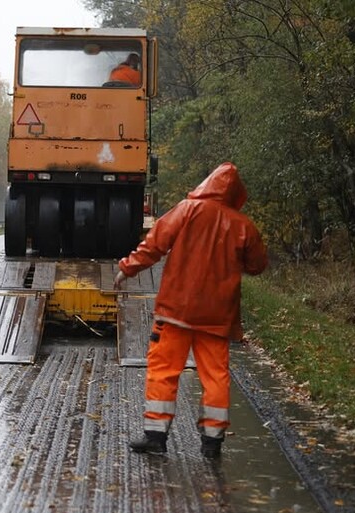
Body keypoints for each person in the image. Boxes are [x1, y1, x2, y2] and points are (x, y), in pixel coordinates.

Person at [113, 162, 268, 459]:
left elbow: (154, 245)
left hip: (175, 311)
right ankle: (212, 443)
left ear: (207, 183)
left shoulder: (186, 210)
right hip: (217, 316)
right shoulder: (243, 226)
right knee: (215, 376)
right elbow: (258, 265)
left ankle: (156, 438)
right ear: (236, 193)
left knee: (163, 370)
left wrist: (126, 269)